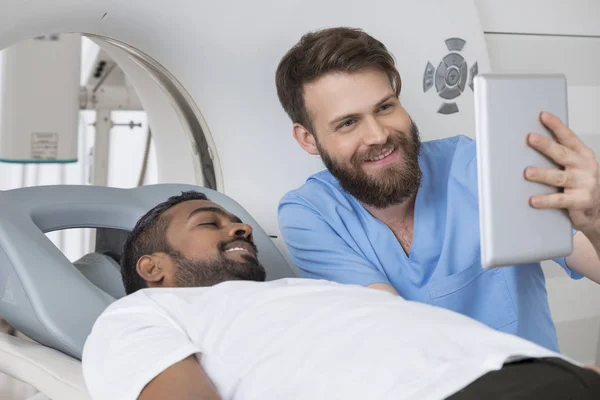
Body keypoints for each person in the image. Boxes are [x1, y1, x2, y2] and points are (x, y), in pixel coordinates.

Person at [81, 191, 600, 400]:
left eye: (239, 221)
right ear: (152, 268)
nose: (240, 228)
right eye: (210, 222)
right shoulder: (137, 313)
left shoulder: (311, 291)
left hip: (541, 371)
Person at [275, 27, 600, 352]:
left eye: (385, 107)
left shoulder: (481, 168)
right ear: (307, 139)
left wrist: (594, 218)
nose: (377, 135)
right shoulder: (309, 214)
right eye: (348, 123)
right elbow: (394, 334)